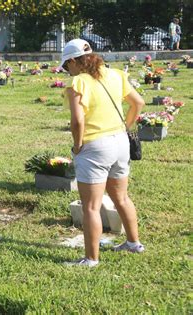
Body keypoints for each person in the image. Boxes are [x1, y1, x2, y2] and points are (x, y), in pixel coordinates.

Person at [61, 39, 145, 267]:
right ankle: (133, 243)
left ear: (72, 61)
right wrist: (125, 127)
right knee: (122, 197)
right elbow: (138, 103)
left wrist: (78, 146)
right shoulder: (116, 74)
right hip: (120, 143)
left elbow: (77, 121)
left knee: (91, 207)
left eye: (66, 66)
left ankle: (91, 258)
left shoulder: (78, 82)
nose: (67, 71)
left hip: (95, 147)